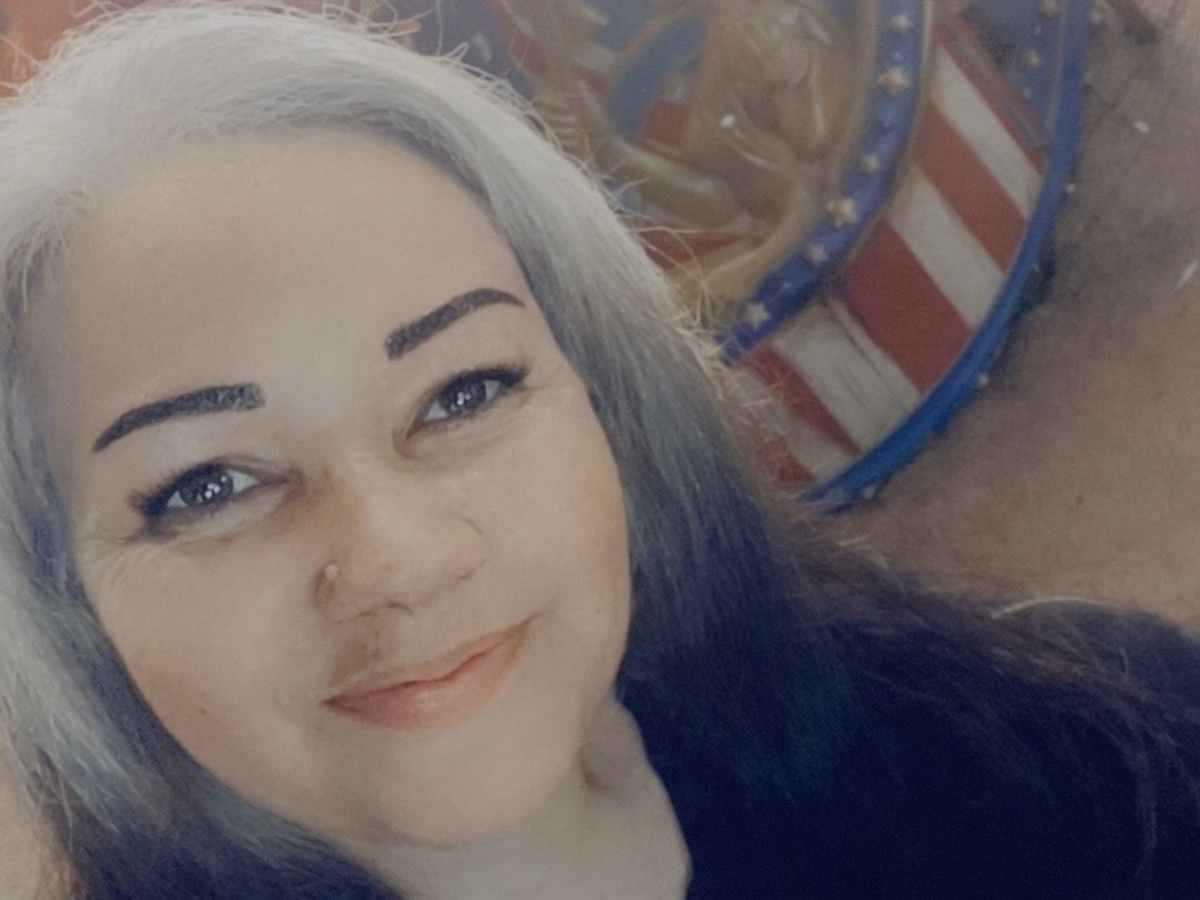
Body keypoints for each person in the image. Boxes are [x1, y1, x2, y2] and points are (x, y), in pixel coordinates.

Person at [0, 4, 1197, 899]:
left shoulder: (1103, 745)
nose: (398, 559)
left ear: (606, 405)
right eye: (206, 485)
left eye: (463, 391)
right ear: (61, 610)